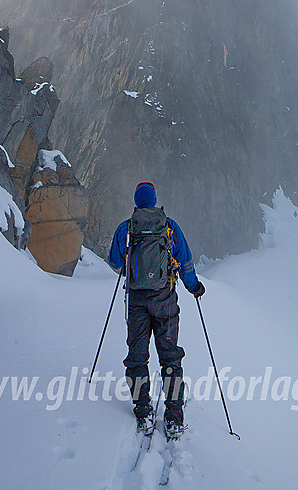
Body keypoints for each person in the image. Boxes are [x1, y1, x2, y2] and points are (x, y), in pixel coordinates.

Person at [108, 181, 205, 436]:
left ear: (136, 202)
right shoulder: (169, 226)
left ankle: (143, 413)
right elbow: (185, 261)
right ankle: (173, 418)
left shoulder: (127, 228)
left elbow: (114, 261)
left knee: (137, 357)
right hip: (165, 300)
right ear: (154, 200)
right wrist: (193, 287)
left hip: (137, 302)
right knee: (170, 357)